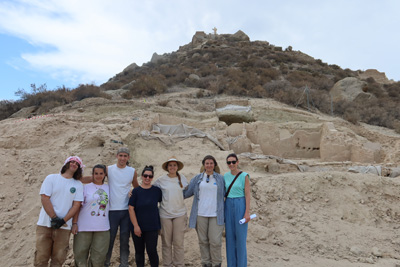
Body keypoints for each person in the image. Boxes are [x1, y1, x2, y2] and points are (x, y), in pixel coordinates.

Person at [34, 156, 84, 267]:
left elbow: (76, 205)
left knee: (58, 259)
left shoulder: (78, 185)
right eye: (72, 161)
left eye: (77, 163)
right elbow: (45, 198)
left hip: (64, 227)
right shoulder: (51, 178)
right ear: (66, 164)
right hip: (45, 224)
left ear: (79, 168)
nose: (74, 164)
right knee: (41, 258)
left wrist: (63, 221)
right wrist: (54, 217)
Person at [184, 155, 225, 267]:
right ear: (204, 165)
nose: (209, 165)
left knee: (215, 242)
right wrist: (172, 190)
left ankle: (216, 263)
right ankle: (206, 263)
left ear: (214, 165)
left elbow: (227, 194)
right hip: (200, 214)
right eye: (207, 163)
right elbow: (186, 193)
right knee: (203, 241)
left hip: (216, 215)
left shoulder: (220, 179)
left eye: (211, 163)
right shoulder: (197, 178)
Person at [106, 147, 139, 267]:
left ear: (128, 157)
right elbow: (96, 179)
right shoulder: (108, 169)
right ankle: (106, 263)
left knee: (125, 239)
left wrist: (132, 193)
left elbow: (137, 188)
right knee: (109, 239)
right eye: (120, 155)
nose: (122, 158)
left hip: (126, 211)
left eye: (125, 156)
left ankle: (124, 264)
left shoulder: (132, 171)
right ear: (117, 156)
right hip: (111, 210)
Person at [72, 164, 110, 267]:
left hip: (102, 227)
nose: (98, 176)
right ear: (92, 174)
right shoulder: (85, 188)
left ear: (105, 174)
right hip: (83, 227)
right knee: (80, 255)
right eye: (96, 173)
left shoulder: (109, 188)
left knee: (98, 258)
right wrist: (74, 223)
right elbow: (77, 207)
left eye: (101, 173)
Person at [153, 157, 188, 267]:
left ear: (177, 167)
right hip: (165, 214)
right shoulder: (161, 180)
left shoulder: (182, 178)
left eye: (174, 165)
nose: (172, 167)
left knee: (178, 242)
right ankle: (167, 265)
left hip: (180, 214)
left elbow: (187, 192)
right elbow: (151, 190)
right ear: (167, 167)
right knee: (166, 243)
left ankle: (179, 264)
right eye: (170, 165)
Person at [129, 166, 162, 267]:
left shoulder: (157, 191)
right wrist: (136, 226)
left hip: (152, 227)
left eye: (150, 176)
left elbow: (164, 204)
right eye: (145, 175)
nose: (147, 178)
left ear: (152, 177)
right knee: (139, 252)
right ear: (142, 176)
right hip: (137, 227)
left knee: (152, 251)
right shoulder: (135, 191)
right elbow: (131, 209)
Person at [224, 153, 251, 267]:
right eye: (229, 162)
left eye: (233, 162)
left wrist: (247, 212)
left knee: (240, 238)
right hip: (228, 204)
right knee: (229, 238)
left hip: (240, 204)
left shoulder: (244, 175)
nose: (231, 164)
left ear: (237, 162)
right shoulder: (225, 176)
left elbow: (248, 194)